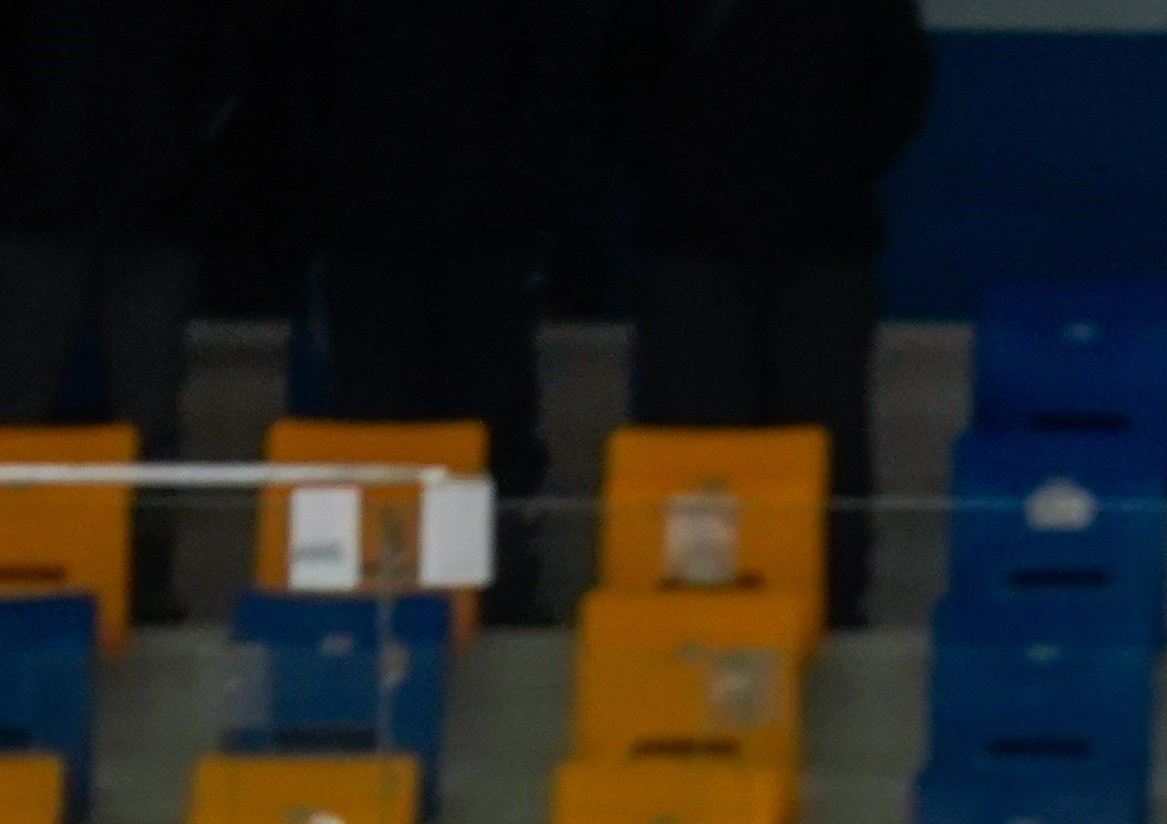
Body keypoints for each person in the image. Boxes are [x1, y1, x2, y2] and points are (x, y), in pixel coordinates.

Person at [600, 0, 931, 629]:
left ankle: (827, 597)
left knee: (817, 430)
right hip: (700, 238)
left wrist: (833, 169)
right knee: (697, 435)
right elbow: (616, 74)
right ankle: (688, 599)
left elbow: (900, 79)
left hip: (811, 239)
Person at [256, 0, 568, 619]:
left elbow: (551, 68)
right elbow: (295, 67)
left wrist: (525, 181)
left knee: (491, 416)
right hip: (367, 223)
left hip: (486, 221)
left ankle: (492, 582)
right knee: (376, 419)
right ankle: (378, 581)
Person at [0, 0, 239, 618]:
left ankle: (145, 583)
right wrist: (14, 146)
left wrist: (180, 154)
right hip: (30, 207)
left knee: (150, 410)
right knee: (15, 405)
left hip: (155, 211)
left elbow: (227, 55)